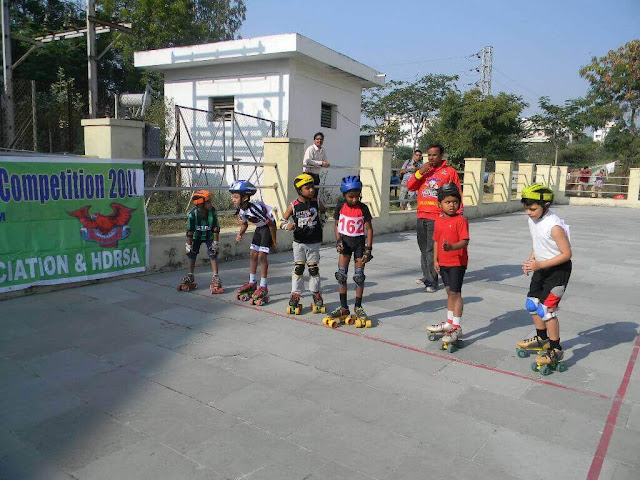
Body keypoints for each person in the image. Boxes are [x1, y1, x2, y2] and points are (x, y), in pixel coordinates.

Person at [517, 184, 572, 370]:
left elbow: (566, 254)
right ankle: (542, 339)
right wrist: (531, 260)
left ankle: (555, 349)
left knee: (546, 310)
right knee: (532, 304)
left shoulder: (555, 226)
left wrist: (539, 264)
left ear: (546, 205)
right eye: (526, 208)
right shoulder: (532, 220)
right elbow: (538, 243)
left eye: (532, 208)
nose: (529, 212)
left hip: (558, 271)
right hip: (541, 267)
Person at [407, 144, 462, 293]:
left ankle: (432, 281)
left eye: (434, 155)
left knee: (431, 249)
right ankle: (427, 275)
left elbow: (457, 193)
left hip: (436, 216)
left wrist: (458, 213)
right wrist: (420, 172)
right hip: (421, 214)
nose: (431, 158)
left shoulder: (449, 172)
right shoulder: (424, 171)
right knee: (423, 248)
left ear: (441, 155)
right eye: (429, 155)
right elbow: (410, 186)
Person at [323, 175, 374, 328]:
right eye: (351, 197)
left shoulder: (363, 208)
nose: (354, 199)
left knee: (359, 277)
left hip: (359, 244)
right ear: (344, 195)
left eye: (357, 196)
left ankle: (358, 306)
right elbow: (337, 225)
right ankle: (344, 307)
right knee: (341, 275)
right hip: (345, 244)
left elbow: (369, 229)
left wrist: (368, 249)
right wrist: (338, 241)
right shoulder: (340, 207)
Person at [426, 183, 469, 351]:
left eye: (455, 202)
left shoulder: (461, 221)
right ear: (440, 204)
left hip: (457, 263)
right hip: (443, 263)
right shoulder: (439, 220)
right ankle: (449, 323)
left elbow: (465, 241)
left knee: (456, 293)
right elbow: (436, 240)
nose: (452, 205)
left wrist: (452, 247)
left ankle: (456, 327)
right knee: (448, 292)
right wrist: (436, 260)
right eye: (448, 202)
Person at [280, 173, 327, 315]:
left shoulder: (317, 202)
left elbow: (324, 211)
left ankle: (316, 293)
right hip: (299, 242)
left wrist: (322, 221)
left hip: (314, 241)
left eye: (312, 187)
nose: (311, 190)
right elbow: (281, 220)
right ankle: (295, 293)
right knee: (298, 268)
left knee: (313, 269)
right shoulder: (293, 205)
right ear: (299, 190)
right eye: (307, 188)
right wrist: (286, 226)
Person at [230, 180, 277, 306]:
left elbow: (271, 224)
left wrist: (274, 241)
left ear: (245, 197)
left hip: (268, 228)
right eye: (232, 197)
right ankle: (252, 283)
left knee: (262, 256)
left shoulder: (255, 209)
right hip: (259, 228)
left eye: (235, 197)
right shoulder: (241, 210)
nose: (233, 199)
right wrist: (240, 233)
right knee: (253, 255)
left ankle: (263, 286)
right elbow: (244, 224)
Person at [178, 190, 222, 293]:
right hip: (196, 236)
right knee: (191, 254)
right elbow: (190, 232)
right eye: (209, 202)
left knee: (213, 253)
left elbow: (216, 229)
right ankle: (190, 275)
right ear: (201, 205)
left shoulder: (213, 211)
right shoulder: (192, 215)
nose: (211, 204)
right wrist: (188, 245)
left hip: (209, 235)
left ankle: (215, 276)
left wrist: (215, 244)